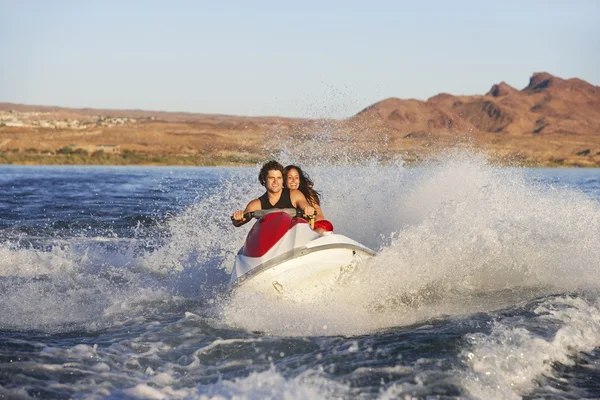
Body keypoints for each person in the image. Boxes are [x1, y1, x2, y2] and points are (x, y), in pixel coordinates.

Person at [231, 160, 316, 227]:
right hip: (271, 241)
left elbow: (304, 204)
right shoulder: (256, 204)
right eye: (271, 178)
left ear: (282, 180)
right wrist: (238, 218)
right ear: (264, 180)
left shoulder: (294, 195)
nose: (275, 181)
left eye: (279, 178)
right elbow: (239, 222)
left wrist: (308, 209)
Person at [284, 165, 334, 234]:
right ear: (284, 180)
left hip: (309, 228)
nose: (293, 181)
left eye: (296, 178)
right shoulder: (278, 195)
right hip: (287, 231)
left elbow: (319, 216)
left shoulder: (308, 193)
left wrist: (310, 215)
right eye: (290, 177)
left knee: (321, 229)